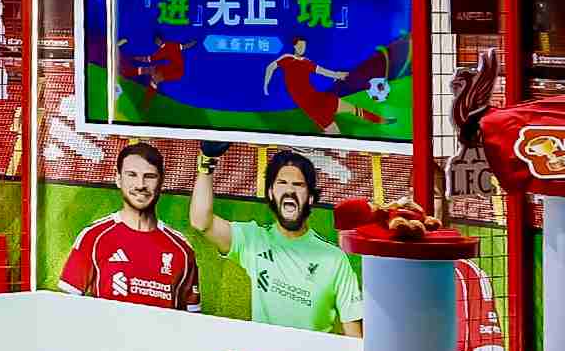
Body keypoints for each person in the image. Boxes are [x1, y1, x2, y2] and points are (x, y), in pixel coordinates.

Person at [190, 145, 364, 330]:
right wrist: (207, 162)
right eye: (282, 183)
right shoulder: (254, 240)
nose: (290, 190)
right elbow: (201, 221)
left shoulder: (334, 259)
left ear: (310, 198)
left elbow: (354, 334)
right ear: (271, 194)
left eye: (298, 185)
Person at [58, 140, 206, 310]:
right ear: (118, 179)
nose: (140, 185)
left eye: (149, 176)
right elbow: (66, 306)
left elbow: (192, 317)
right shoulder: (93, 237)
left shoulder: (182, 249)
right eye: (132, 175)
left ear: (161, 182)